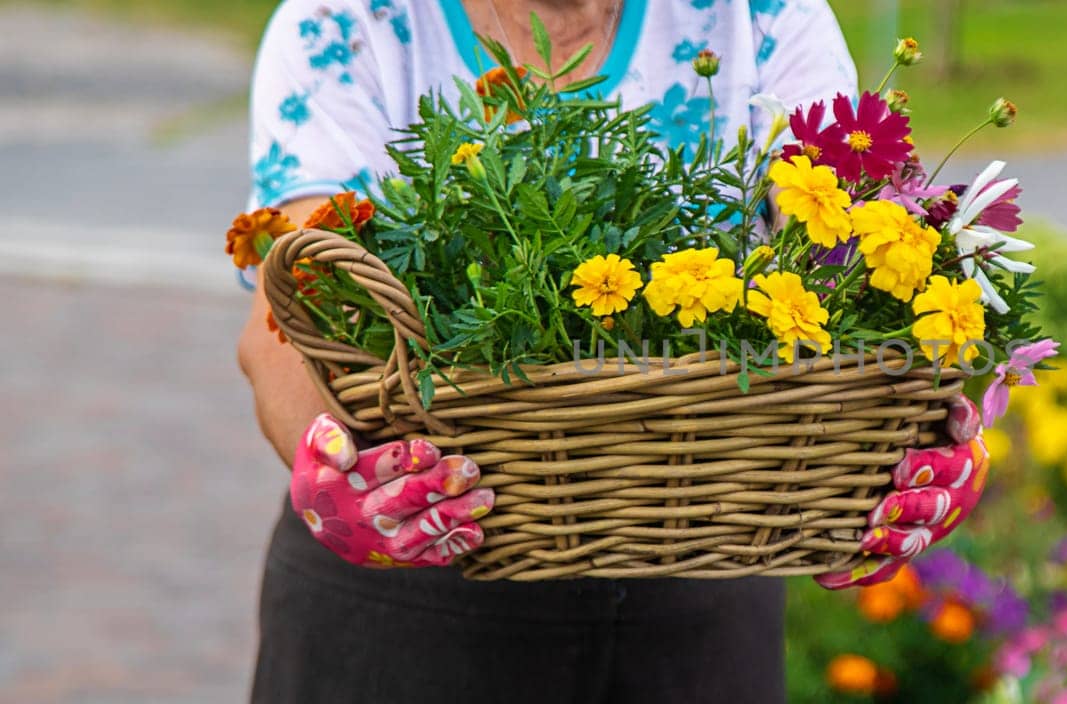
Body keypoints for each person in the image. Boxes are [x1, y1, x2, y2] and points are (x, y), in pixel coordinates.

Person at [236, 1, 990, 701]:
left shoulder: (761, 14)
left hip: (706, 589)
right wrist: (338, 473)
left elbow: (868, 252)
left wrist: (917, 422)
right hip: (417, 583)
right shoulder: (344, 21)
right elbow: (297, 307)